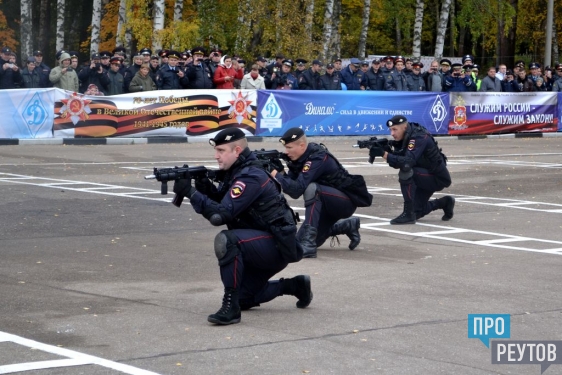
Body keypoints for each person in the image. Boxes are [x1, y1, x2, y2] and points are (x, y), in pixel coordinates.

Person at [172, 128, 312, 325]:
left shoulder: (250, 176)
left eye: (221, 151)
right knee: (244, 297)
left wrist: (191, 193)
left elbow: (221, 215)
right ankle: (294, 286)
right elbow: (224, 202)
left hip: (275, 245)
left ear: (237, 150)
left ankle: (230, 309)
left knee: (227, 241)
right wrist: (205, 187)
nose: (216, 156)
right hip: (260, 242)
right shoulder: (236, 171)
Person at [271, 128, 372, 258]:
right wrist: (280, 173)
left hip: (344, 202)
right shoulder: (300, 159)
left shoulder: (317, 157)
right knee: (297, 242)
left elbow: (297, 190)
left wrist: (274, 174)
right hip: (325, 206)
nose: (286, 151)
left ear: (302, 145)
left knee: (312, 189)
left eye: (289, 147)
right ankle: (346, 225)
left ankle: (310, 245)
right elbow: (293, 188)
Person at [367, 115, 454, 224]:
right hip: (423, 175)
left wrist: (384, 154)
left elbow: (407, 163)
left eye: (395, 129)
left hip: (436, 177)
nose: (392, 134)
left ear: (404, 127)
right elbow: (397, 163)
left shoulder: (419, 137)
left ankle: (407, 214)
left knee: (407, 171)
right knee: (417, 212)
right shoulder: (406, 136)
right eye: (390, 130)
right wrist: (386, 151)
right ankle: (444, 202)